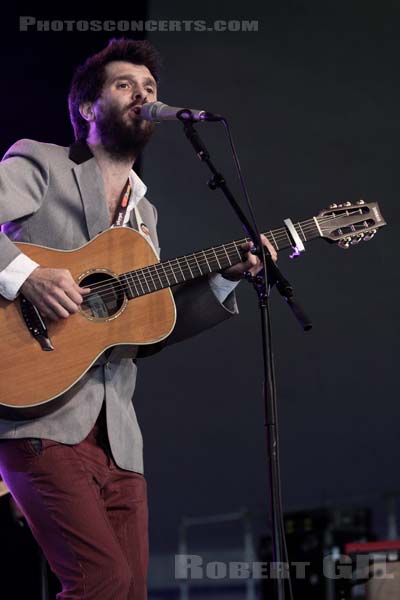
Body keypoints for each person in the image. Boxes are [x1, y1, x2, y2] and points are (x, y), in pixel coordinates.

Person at [0, 38, 276, 599]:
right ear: (86, 107)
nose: (143, 96)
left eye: (150, 89)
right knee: (101, 582)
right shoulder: (42, 163)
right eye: (125, 85)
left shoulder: (143, 217)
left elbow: (145, 331)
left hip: (119, 438)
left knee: (129, 591)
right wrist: (27, 275)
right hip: (39, 423)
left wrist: (228, 277)